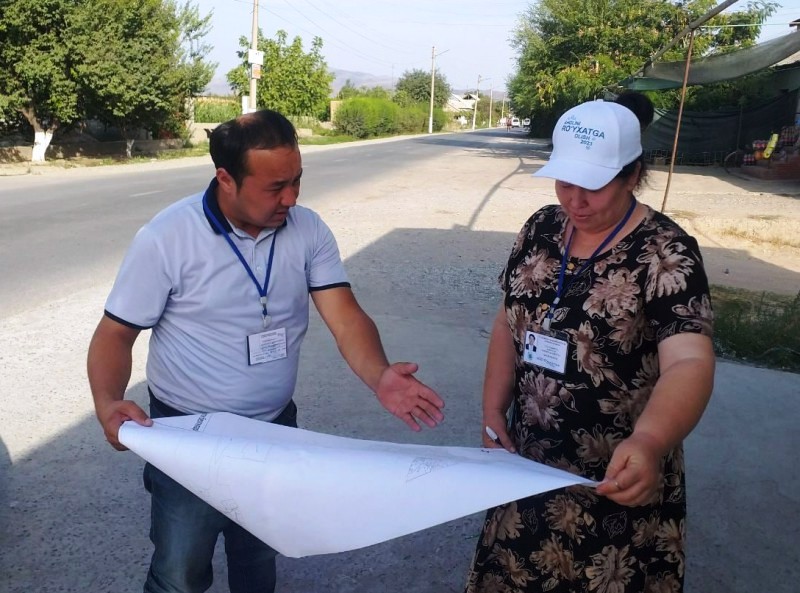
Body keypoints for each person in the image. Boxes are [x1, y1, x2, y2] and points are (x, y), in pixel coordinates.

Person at [87, 109, 445, 593]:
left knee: (257, 557)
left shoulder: (308, 230)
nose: (291, 198)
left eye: (297, 181)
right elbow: (114, 334)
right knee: (179, 572)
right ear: (226, 179)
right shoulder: (167, 238)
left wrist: (379, 374)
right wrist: (107, 402)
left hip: (274, 429)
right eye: (276, 187)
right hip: (188, 436)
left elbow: (344, 316)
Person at [464, 100, 715, 593]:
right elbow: (507, 323)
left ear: (632, 175)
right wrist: (493, 410)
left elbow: (689, 360)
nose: (575, 200)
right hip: (527, 466)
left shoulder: (666, 253)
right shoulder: (540, 229)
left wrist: (650, 442)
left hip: (617, 479)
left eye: (593, 185)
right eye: (565, 182)